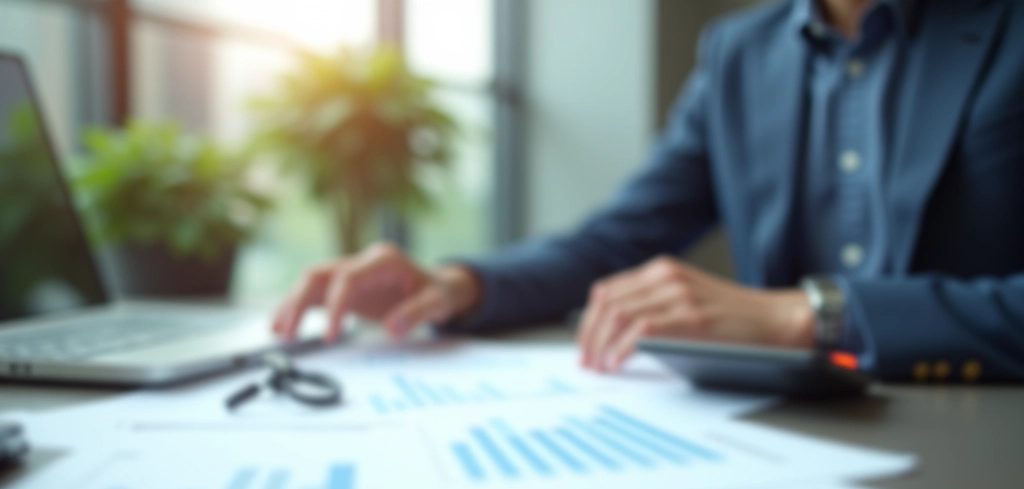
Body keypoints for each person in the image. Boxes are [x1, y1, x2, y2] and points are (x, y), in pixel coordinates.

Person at [274, 0, 1024, 382]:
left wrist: (815, 314)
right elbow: (620, 236)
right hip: (792, 439)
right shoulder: (739, 53)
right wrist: (459, 282)